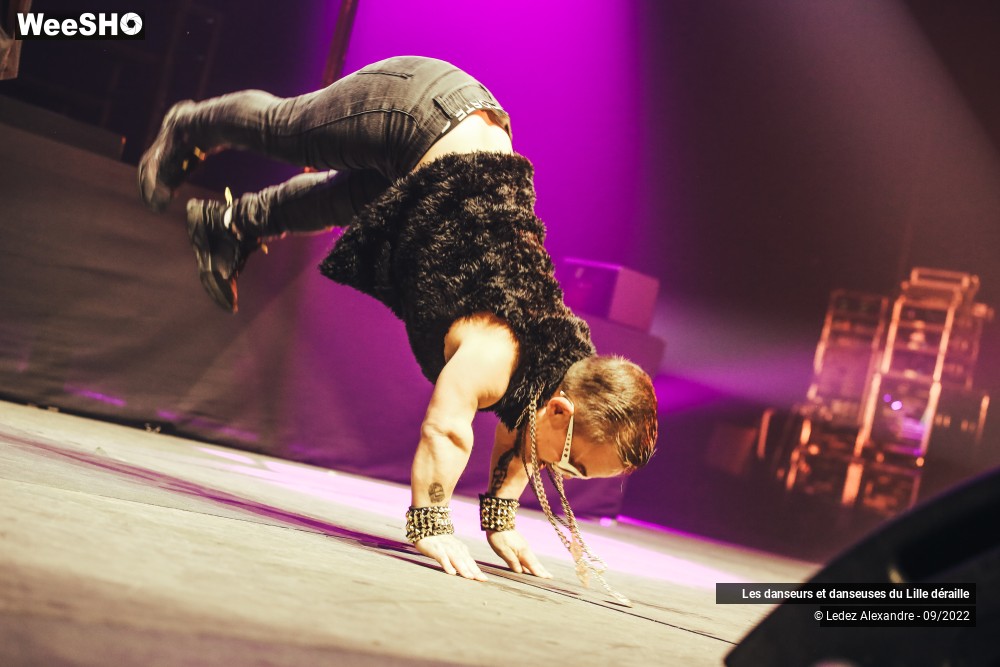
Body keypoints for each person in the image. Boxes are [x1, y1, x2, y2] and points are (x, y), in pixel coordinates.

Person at [138, 56, 658, 592]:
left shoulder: (557, 368)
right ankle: (189, 125)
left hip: (438, 166)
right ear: (562, 411)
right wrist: (431, 524)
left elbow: (524, 428)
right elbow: (447, 430)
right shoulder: (495, 352)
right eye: (571, 466)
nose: (560, 475)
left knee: (336, 201)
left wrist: (499, 521)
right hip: (423, 111)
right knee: (290, 133)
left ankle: (229, 226)